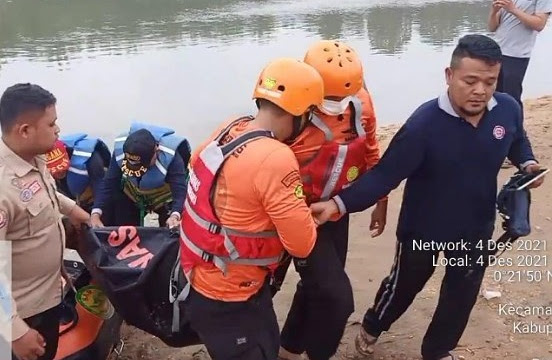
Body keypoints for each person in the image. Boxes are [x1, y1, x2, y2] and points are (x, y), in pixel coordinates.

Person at [310, 34, 545, 360]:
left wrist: (528, 163)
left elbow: (517, 141)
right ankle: (373, 324)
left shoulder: (507, 109)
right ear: (449, 76)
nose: (481, 90)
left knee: (461, 294)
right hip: (423, 230)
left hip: (476, 227)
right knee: (403, 286)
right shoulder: (424, 126)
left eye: (490, 82)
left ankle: (437, 350)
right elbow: (383, 175)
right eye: (471, 80)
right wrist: (338, 204)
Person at [179, 57, 323, 360]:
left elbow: (197, 167)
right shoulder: (276, 158)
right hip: (231, 298)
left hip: (197, 279)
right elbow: (302, 244)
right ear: (302, 113)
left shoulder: (230, 127)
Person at [0, 83, 90, 360]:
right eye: (51, 123)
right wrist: (15, 331)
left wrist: (75, 212)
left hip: (45, 297)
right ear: (25, 130)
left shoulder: (30, 160)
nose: (57, 130)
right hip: (20, 312)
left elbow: (44, 192)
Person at [278, 40, 387, 360]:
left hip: (336, 211)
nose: (337, 104)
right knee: (337, 299)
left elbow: (370, 153)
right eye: (330, 99)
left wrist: (380, 200)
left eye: (344, 97)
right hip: (297, 212)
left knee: (317, 286)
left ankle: (288, 349)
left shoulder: (362, 106)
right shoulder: (290, 110)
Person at [90, 122, 190, 229]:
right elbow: (109, 183)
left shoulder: (172, 158)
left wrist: (175, 215)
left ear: (156, 151)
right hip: (133, 195)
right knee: (125, 227)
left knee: (170, 229)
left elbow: (179, 191)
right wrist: (95, 213)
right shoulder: (121, 152)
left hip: (165, 198)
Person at [488, 0, 552, 109]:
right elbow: (492, 28)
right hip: (496, 52)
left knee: (511, 98)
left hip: (517, 55)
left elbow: (539, 24)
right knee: (493, 96)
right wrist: (494, 11)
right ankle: (497, 125)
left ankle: (516, 126)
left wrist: (513, 10)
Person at [44, 134, 111, 214]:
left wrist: (96, 213)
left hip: (96, 197)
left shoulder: (90, 158)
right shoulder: (39, 166)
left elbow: (100, 185)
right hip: (71, 201)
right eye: (54, 170)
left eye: (61, 167)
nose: (59, 172)